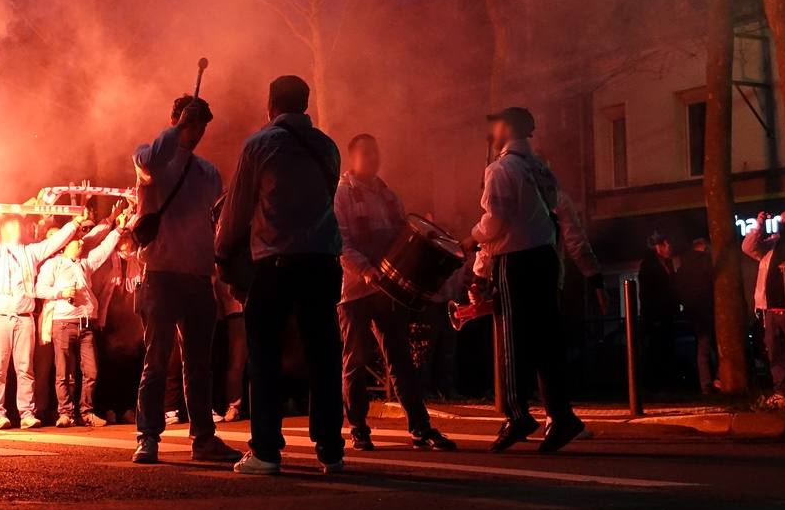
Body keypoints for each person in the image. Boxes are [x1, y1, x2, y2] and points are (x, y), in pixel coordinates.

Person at [214, 75, 344, 476]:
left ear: (270, 103)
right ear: (306, 104)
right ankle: (331, 451)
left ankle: (267, 452)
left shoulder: (259, 145)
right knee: (323, 353)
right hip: (323, 260)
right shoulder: (328, 146)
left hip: (276, 262)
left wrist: (221, 254)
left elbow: (237, 210)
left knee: (264, 353)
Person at [463, 107, 584, 453]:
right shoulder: (543, 171)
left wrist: (472, 241)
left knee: (513, 341)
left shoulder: (502, 169)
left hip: (515, 262)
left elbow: (496, 224)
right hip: (545, 259)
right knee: (547, 341)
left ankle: (517, 413)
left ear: (506, 130)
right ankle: (562, 416)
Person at [132, 95, 241, 466]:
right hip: (161, 274)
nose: (196, 130)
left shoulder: (208, 172)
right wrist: (176, 128)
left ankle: (203, 438)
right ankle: (147, 436)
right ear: (177, 120)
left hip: (199, 276)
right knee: (156, 360)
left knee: (199, 366)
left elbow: (216, 224)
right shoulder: (150, 158)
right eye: (190, 122)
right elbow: (149, 162)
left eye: (200, 124)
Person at [333, 133, 455, 452]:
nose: (373, 159)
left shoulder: (389, 196)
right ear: (353, 159)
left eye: (376, 153)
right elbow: (339, 243)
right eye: (366, 153)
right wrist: (366, 269)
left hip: (387, 292)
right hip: (353, 291)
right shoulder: (342, 195)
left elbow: (406, 237)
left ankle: (420, 427)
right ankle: (359, 427)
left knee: (400, 359)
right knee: (355, 361)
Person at [0, 207, 83, 431]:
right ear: (2, 230)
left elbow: (56, 242)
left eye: (17, 226)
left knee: (25, 368)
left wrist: (75, 223)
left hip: (24, 318)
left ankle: (27, 413)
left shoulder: (31, 252)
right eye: (9, 226)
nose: (14, 229)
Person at [37, 216, 125, 427]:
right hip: (63, 324)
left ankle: (86, 412)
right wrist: (61, 292)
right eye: (77, 240)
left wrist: (119, 228)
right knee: (64, 372)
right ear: (65, 245)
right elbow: (40, 289)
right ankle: (65, 413)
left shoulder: (85, 264)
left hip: (85, 325)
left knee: (91, 371)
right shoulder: (53, 265)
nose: (82, 242)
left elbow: (104, 250)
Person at [742, 211, 785, 404]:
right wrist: (758, 225)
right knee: (776, 353)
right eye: (782, 220)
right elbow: (748, 247)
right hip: (771, 309)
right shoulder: (772, 244)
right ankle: (782, 392)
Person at [637, 231, 682, 390]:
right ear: (657, 246)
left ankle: (667, 384)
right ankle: (656, 385)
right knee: (657, 351)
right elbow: (647, 293)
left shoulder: (667, 263)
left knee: (667, 349)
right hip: (657, 315)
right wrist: (652, 316)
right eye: (664, 244)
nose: (668, 247)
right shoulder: (649, 266)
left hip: (667, 313)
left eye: (669, 244)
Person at [678, 237, 719, 394]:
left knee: (702, 347)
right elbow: (713, 277)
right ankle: (714, 382)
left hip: (694, 310)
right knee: (713, 345)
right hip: (707, 306)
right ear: (703, 248)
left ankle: (706, 384)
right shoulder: (705, 261)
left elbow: (680, 288)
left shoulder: (684, 266)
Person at [215, 277, 248, 421]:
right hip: (236, 310)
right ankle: (234, 404)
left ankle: (241, 404)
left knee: (246, 361)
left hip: (249, 306)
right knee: (237, 360)